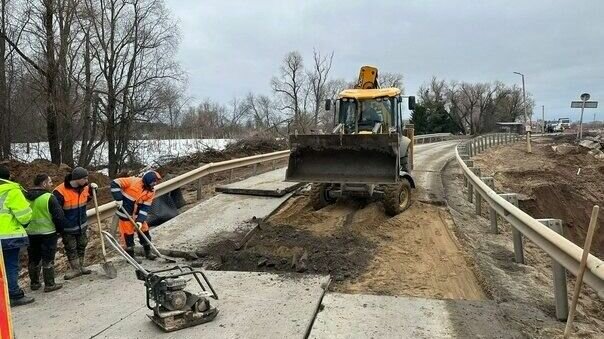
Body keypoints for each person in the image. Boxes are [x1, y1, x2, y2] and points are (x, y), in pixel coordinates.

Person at [25, 174, 69, 292]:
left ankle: (34, 283)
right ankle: (49, 284)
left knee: (33, 259)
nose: (51, 184)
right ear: (43, 184)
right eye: (49, 182)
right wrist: (61, 230)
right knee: (48, 259)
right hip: (48, 233)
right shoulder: (49, 197)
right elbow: (58, 217)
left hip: (30, 233)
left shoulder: (25, 197)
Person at [53, 167, 97, 280]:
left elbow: (86, 199)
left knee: (82, 244)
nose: (87, 181)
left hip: (81, 224)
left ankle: (81, 266)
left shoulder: (85, 187)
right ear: (77, 179)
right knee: (71, 248)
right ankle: (75, 269)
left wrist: (92, 192)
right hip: (68, 227)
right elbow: (56, 212)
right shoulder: (60, 191)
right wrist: (60, 227)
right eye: (85, 178)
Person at [0, 165, 34, 306]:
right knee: (11, 266)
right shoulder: (12, 191)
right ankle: (14, 294)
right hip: (8, 236)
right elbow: (24, 215)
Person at [111, 171, 161, 263]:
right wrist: (118, 199)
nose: (155, 184)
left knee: (144, 230)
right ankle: (130, 256)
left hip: (137, 215)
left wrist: (140, 221)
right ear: (148, 180)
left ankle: (148, 252)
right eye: (154, 181)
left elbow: (145, 207)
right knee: (128, 235)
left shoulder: (151, 191)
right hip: (125, 214)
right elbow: (115, 183)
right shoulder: (132, 181)